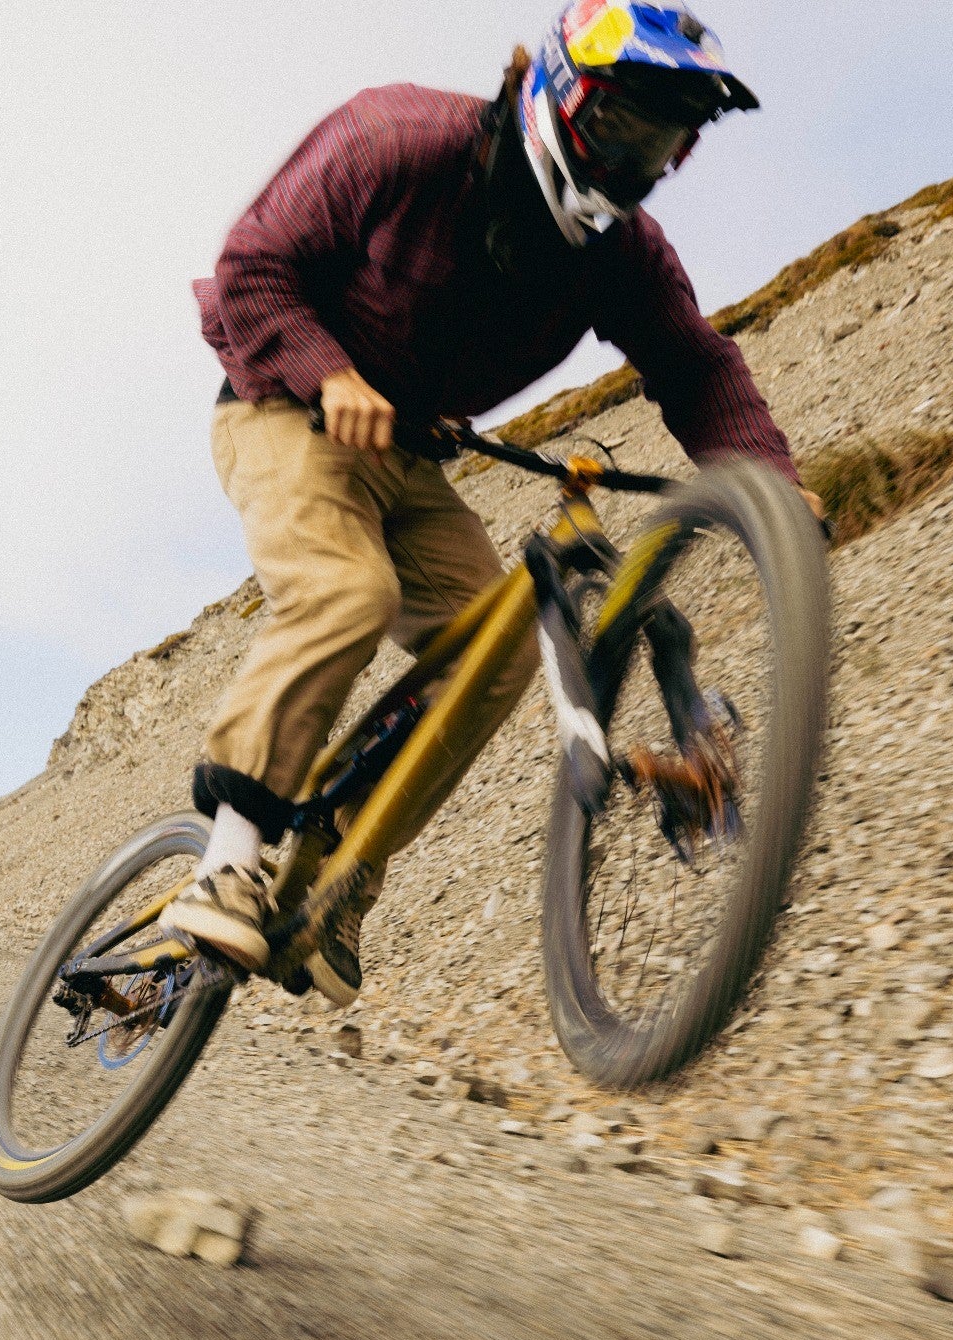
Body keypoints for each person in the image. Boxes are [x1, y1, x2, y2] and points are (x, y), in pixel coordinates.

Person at [164, 1, 820, 1008]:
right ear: (561, 93)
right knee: (344, 592)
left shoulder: (621, 255)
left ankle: (339, 876)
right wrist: (328, 373)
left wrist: (771, 495)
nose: (629, 160)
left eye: (659, 143)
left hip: (414, 459)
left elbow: (694, 367)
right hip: (281, 406)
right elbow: (251, 268)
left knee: (501, 651)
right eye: (620, 124)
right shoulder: (394, 139)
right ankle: (230, 852)